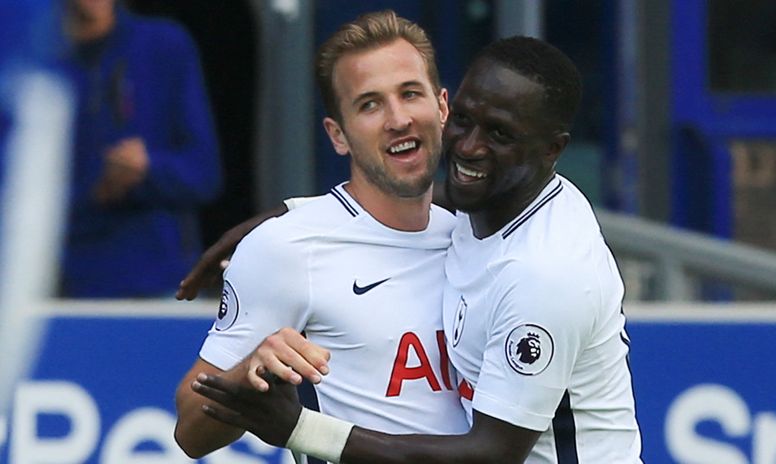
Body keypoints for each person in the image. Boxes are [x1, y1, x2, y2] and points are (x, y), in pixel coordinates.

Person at [191, 36, 643, 463]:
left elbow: (491, 455)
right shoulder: (497, 203)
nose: (468, 147)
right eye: (465, 121)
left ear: (551, 150)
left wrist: (298, 428)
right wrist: (285, 218)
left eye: (499, 134)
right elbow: (424, 197)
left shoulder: (545, 272)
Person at [173, 10, 468, 460]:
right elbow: (189, 431)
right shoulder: (285, 248)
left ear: (442, 107)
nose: (398, 119)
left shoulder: (481, 238)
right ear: (338, 135)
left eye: (410, 94)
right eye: (369, 104)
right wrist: (247, 376)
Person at [59, 0, 222, 297]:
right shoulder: (29, 60)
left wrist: (148, 168)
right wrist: (95, 190)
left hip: (159, 280)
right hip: (60, 284)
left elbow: (204, 173)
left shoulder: (163, 45)